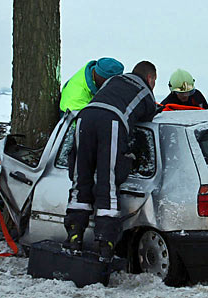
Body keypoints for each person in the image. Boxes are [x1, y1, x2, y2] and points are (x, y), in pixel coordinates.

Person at [63, 61, 158, 262]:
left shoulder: (113, 81)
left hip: (84, 117)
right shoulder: (145, 92)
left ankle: (74, 235)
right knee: (108, 182)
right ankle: (105, 242)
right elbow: (149, 116)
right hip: (111, 121)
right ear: (150, 79)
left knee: (81, 178)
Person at [59, 58, 124, 114]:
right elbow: (85, 122)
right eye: (112, 84)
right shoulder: (77, 97)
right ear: (103, 80)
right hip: (73, 118)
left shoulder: (93, 73)